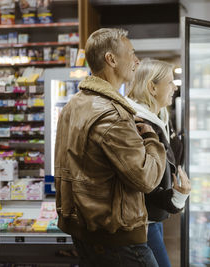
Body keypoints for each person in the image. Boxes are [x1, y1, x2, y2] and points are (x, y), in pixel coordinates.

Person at [54, 29, 167, 267]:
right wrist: (152, 141)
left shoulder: (74, 104)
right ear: (111, 59)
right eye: (131, 53)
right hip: (116, 236)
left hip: (85, 230)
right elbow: (146, 178)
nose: (136, 61)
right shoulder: (112, 113)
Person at [127, 58, 191, 267]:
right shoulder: (140, 124)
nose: (174, 87)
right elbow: (143, 182)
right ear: (152, 87)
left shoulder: (157, 119)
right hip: (143, 220)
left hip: (152, 217)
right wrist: (177, 198)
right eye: (170, 82)